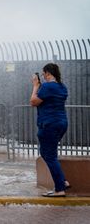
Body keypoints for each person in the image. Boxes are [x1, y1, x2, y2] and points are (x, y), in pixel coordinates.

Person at [30, 63, 71, 197]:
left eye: (43, 74)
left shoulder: (47, 86)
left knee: (49, 155)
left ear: (48, 73)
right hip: (61, 123)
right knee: (50, 153)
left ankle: (60, 189)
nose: (43, 77)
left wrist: (36, 85)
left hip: (49, 124)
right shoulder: (62, 87)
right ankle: (63, 182)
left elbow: (33, 101)